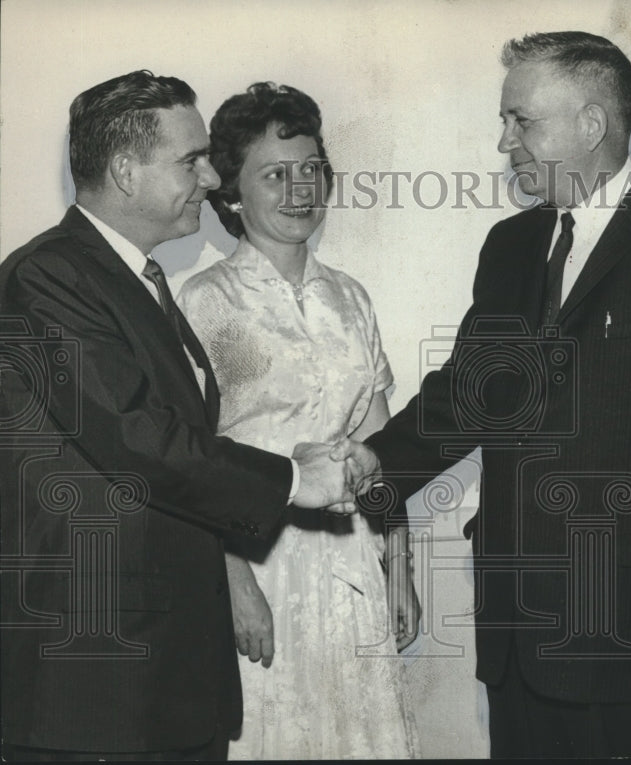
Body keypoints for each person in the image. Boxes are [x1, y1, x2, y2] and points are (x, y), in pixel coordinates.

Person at [359, 31, 631, 758]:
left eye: (522, 120)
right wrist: (368, 471)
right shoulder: (511, 245)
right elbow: (467, 396)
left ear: (591, 123)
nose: (504, 141)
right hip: (519, 631)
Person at [0, 71, 368, 761]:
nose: (208, 177)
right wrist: (291, 479)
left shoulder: (136, 279)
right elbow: (137, 437)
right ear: (124, 171)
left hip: (163, 675)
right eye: (190, 159)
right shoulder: (47, 277)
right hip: (96, 683)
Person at [175, 82, 419, 759]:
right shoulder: (203, 301)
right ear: (230, 191)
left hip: (351, 568)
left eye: (311, 169)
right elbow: (194, 462)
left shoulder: (350, 297)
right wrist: (235, 586)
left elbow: (383, 445)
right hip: (258, 568)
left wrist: (399, 564)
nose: (299, 188)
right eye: (275, 174)